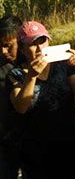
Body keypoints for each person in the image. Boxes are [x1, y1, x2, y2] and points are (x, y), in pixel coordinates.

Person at [9, 21, 75, 178]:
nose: (39, 48)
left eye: (42, 41)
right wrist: (31, 76)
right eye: (32, 44)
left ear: (49, 41)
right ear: (23, 49)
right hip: (36, 154)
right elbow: (21, 107)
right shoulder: (16, 74)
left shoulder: (63, 64)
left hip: (69, 145)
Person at [0, 15, 22, 179]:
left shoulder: (34, 62)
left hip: (33, 136)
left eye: (8, 46)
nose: (3, 51)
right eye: (0, 46)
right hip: (4, 138)